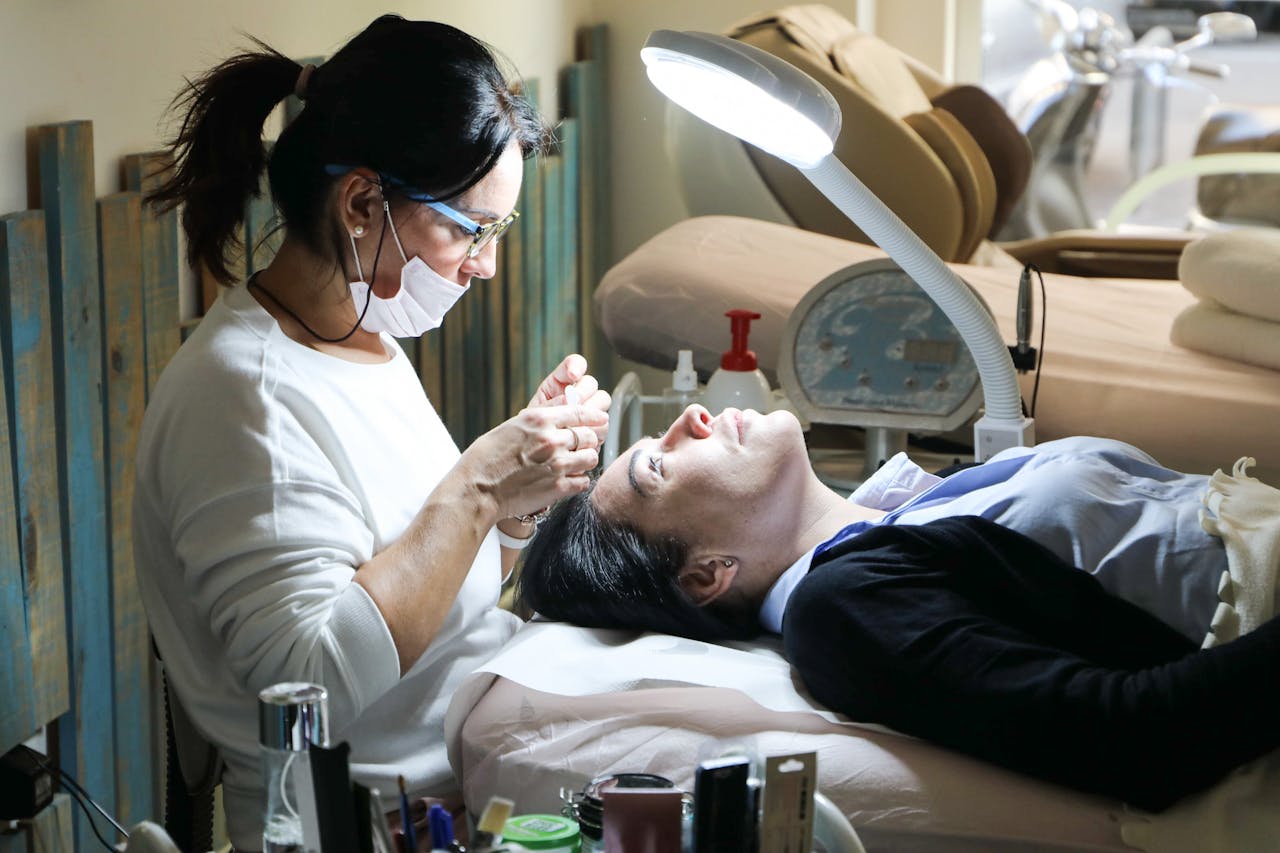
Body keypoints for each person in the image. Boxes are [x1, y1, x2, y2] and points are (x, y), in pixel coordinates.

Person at [133, 16, 609, 850]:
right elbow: (308, 688)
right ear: (361, 202)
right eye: (471, 229)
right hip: (363, 826)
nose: (485, 264)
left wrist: (515, 505)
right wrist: (478, 486)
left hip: (468, 783)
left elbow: (432, 597)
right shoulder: (246, 398)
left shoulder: (362, 339)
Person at [517, 404, 1280, 812]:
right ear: (706, 576)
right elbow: (1136, 735)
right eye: (660, 464)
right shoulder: (846, 606)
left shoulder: (897, 514)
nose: (691, 415)